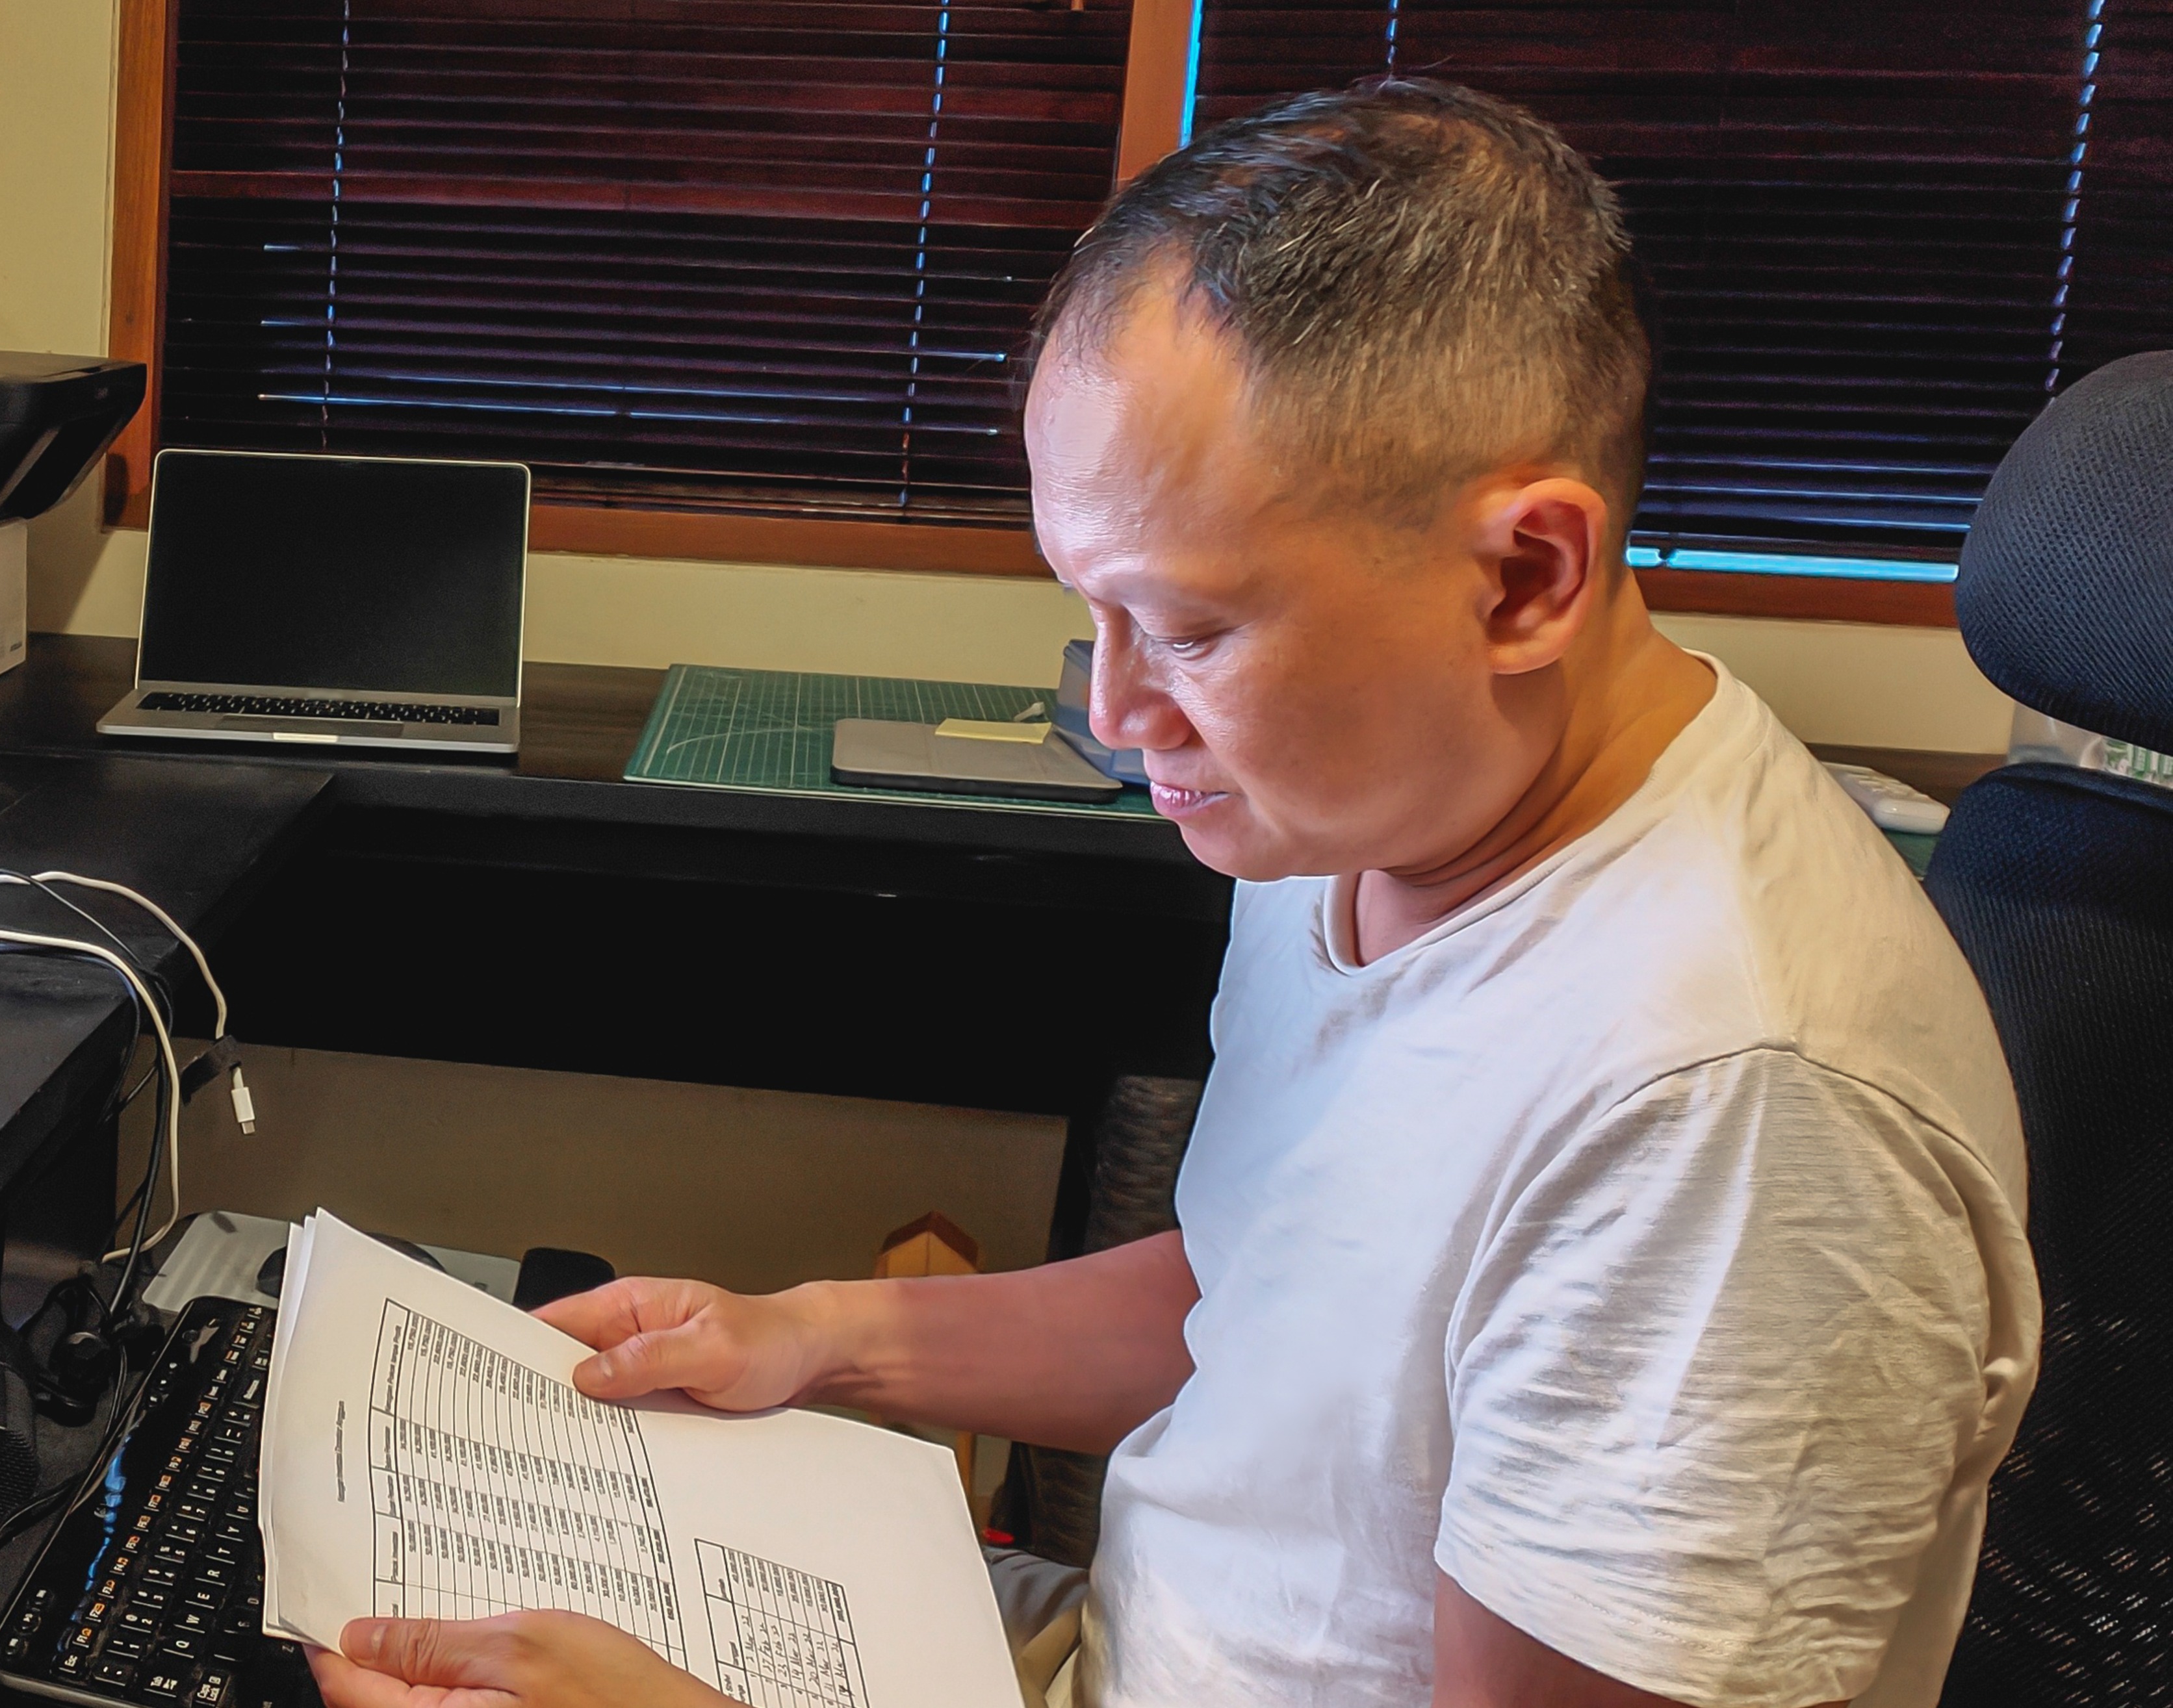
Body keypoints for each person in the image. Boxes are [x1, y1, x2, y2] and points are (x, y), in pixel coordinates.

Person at [302, 78, 2038, 1708]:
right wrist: (805, 1336)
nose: (1120, 715)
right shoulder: (1373, 801)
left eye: (1193, 628)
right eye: (1094, 605)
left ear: (1526, 578)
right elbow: (1257, 1297)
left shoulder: (1730, 1107)